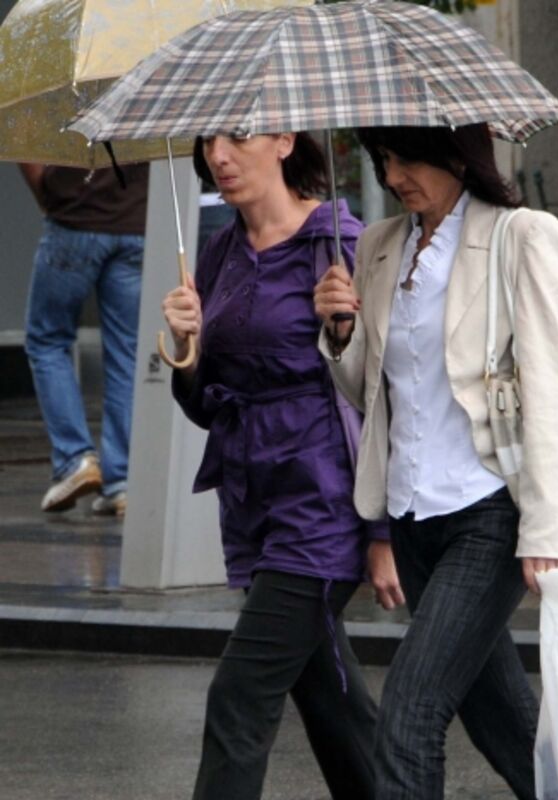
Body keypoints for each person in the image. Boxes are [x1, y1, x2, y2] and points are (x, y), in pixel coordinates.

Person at [314, 123, 558, 799]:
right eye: (383, 159)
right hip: (411, 517)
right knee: (504, 725)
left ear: (457, 155)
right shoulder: (378, 246)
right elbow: (372, 391)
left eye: (408, 158)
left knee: (410, 712)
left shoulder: (521, 236)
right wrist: (341, 332)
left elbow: (554, 388)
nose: (393, 176)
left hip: (487, 513)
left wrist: (548, 532)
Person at [162, 131, 398, 800]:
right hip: (250, 503)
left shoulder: (341, 245)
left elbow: (386, 392)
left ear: (285, 140)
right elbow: (205, 405)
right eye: (210, 141)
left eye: (239, 137)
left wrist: (382, 533)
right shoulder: (221, 253)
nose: (219, 156)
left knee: (239, 696)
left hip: (322, 502)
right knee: (329, 700)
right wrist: (185, 347)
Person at [20, 163, 148, 516]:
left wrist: (48, 195)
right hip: (135, 221)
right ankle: (122, 482)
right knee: (126, 353)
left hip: (74, 216)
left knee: (47, 341)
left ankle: (75, 458)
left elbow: (26, 148)